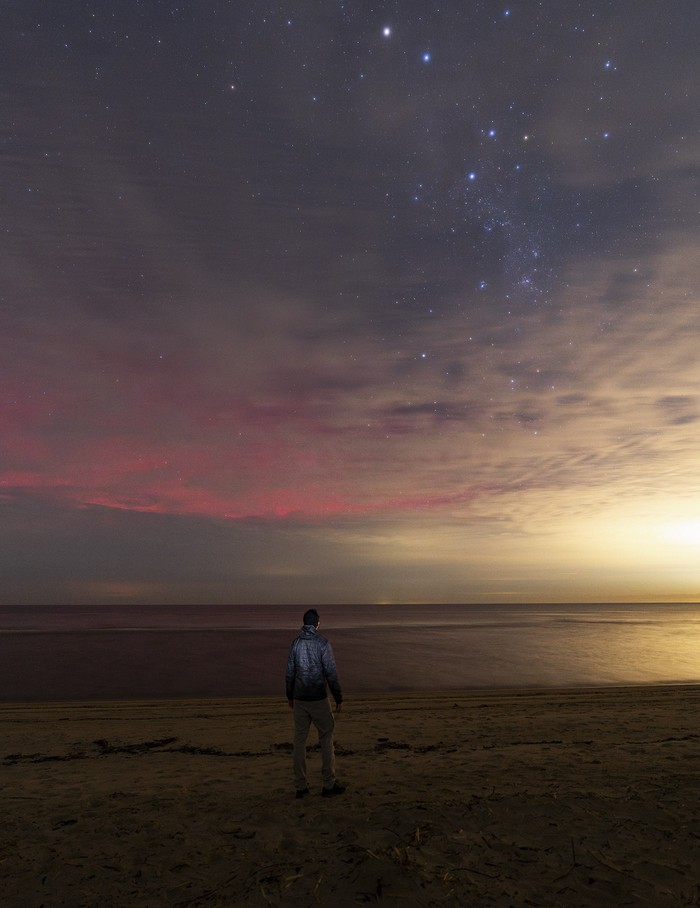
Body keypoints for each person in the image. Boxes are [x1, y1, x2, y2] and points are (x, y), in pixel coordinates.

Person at [285, 608, 345, 798]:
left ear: (304, 624)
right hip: (318, 698)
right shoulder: (323, 643)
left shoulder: (296, 643)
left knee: (299, 741)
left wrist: (290, 696)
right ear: (317, 624)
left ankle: (301, 786)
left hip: (300, 698)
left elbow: (289, 673)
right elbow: (331, 673)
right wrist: (338, 698)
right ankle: (328, 784)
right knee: (326, 738)